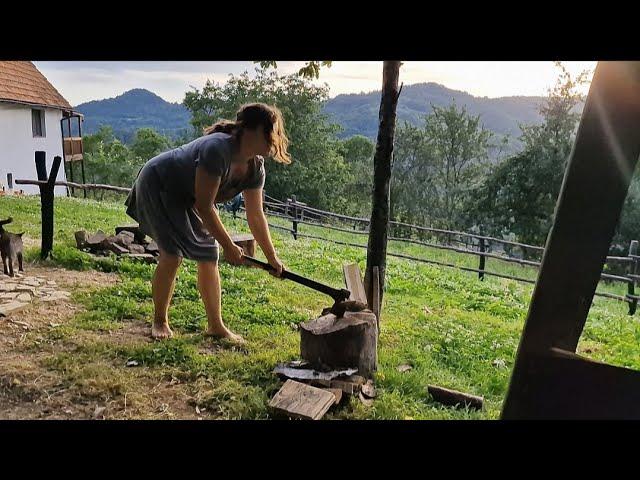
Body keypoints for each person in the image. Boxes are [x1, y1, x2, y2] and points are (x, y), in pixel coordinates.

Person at [124, 103, 291, 342]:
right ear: (251, 130)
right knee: (172, 255)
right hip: (159, 183)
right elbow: (204, 206)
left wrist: (272, 258)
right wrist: (229, 246)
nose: (274, 139)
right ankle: (159, 320)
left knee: (208, 253)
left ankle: (216, 326)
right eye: (270, 132)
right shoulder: (217, 151)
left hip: (186, 194)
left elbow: (255, 215)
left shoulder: (255, 168)